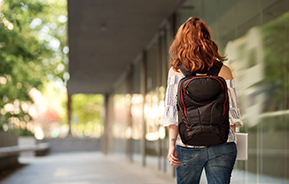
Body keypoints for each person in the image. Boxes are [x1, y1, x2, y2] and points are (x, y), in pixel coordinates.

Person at [162, 17, 243, 184]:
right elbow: (233, 113)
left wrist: (171, 145)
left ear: (181, 42)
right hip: (222, 145)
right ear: (207, 39)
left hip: (187, 145)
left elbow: (172, 114)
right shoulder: (224, 71)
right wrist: (230, 139)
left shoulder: (176, 71)